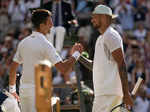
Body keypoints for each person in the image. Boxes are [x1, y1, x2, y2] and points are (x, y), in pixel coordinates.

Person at [9, 9, 83, 112]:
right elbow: (64, 69)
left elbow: (12, 69)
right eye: (49, 22)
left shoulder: (23, 43)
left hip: (24, 91)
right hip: (39, 93)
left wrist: (12, 90)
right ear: (42, 25)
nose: (52, 25)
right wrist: (76, 54)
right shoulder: (46, 44)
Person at [79, 5, 133, 112]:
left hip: (110, 95)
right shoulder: (101, 38)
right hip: (103, 94)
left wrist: (126, 93)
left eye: (94, 16)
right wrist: (78, 57)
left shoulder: (111, 36)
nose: (92, 20)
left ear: (104, 18)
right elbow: (95, 66)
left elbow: (122, 64)